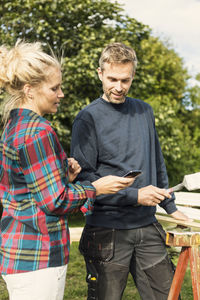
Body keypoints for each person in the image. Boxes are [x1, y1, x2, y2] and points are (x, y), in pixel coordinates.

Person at [0, 40, 135, 300]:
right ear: (29, 90)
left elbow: (27, 190)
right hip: (37, 257)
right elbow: (55, 202)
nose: (61, 94)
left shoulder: (14, 125)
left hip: (18, 253)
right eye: (54, 88)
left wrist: (65, 178)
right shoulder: (38, 132)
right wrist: (96, 187)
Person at [70, 42, 189, 300]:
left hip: (147, 226)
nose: (119, 87)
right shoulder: (87, 118)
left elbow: (156, 163)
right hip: (106, 229)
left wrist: (171, 207)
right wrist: (135, 196)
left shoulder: (144, 111)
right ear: (100, 74)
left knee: (170, 296)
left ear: (133, 75)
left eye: (126, 80)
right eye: (112, 79)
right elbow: (85, 180)